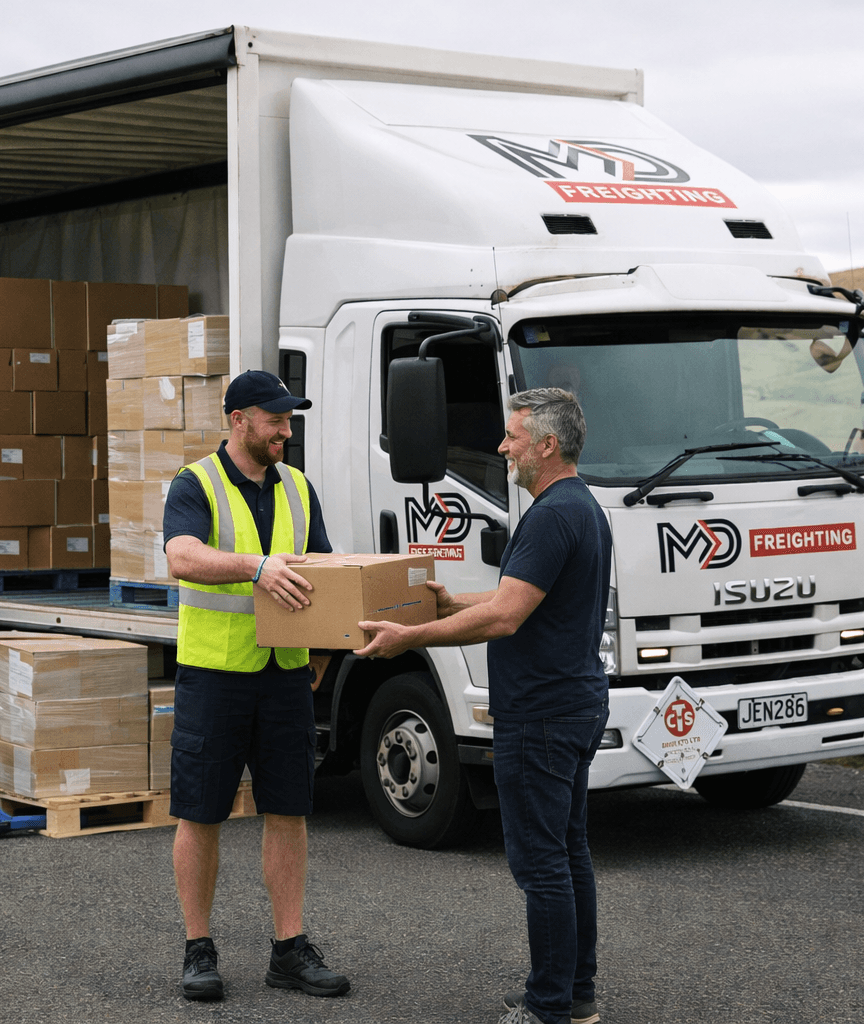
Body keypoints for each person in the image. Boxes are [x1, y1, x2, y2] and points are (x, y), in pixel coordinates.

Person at [356, 388, 612, 1024]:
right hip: (575, 704)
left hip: (541, 714)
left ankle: (548, 1006)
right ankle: (575, 993)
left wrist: (410, 636)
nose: (502, 448)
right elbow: (516, 598)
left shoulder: (551, 516)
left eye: (513, 437)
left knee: (541, 865)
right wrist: (452, 604)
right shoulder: (581, 506)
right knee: (568, 853)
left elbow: (506, 616)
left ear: (546, 445)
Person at [162, 368, 352, 1002]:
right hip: (214, 675)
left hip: (285, 677)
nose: (285, 431)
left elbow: (322, 569)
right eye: (274, 420)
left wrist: (322, 648)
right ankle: (198, 948)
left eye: (288, 420)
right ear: (238, 420)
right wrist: (257, 567)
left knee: (289, 811)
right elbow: (181, 556)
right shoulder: (196, 483)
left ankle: (289, 950)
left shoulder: (297, 487)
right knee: (200, 813)